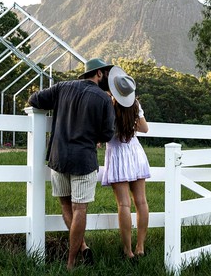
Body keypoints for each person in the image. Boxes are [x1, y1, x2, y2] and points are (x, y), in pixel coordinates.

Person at [27, 57, 115, 270]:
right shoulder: (103, 99)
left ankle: (82, 247)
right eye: (105, 73)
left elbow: (34, 99)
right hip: (83, 160)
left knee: (66, 205)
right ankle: (71, 262)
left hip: (58, 157)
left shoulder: (62, 88)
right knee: (80, 209)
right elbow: (107, 133)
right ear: (99, 74)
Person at [101, 65, 150, 261]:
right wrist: (133, 122)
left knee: (124, 205)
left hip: (118, 155)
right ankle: (140, 247)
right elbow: (145, 128)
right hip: (135, 152)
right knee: (141, 202)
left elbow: (105, 134)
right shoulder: (135, 106)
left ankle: (127, 250)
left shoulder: (109, 107)